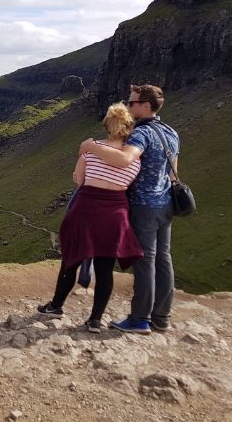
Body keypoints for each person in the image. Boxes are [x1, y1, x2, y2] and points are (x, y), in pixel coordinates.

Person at [80, 84, 179, 335]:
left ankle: (139, 319)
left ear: (146, 106)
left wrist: (91, 147)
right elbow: (172, 172)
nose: (128, 105)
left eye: (132, 103)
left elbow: (124, 159)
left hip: (143, 205)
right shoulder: (171, 133)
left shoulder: (141, 134)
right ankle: (161, 317)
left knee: (145, 260)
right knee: (163, 259)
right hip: (165, 203)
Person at [37, 103, 145, 333]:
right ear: (127, 128)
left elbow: (79, 179)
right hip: (115, 212)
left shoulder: (91, 149)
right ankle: (95, 320)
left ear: (107, 124)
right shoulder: (134, 158)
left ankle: (56, 305)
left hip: (86, 208)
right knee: (104, 268)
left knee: (70, 260)